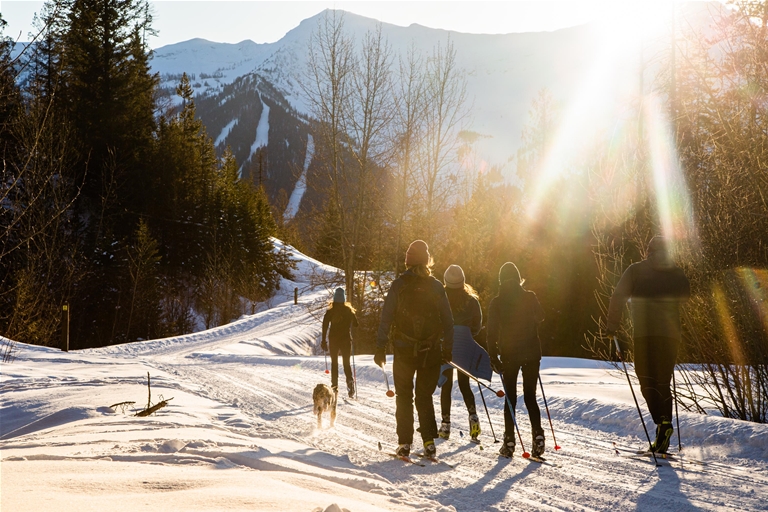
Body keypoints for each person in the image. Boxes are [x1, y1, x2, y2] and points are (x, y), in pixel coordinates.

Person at [606, 235, 690, 454]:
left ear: (648, 251)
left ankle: (663, 424)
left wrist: (611, 327)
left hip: (645, 335)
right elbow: (685, 296)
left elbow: (618, 296)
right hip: (671, 336)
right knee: (664, 382)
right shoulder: (677, 272)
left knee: (646, 380)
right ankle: (664, 433)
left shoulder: (636, 270)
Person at [375, 240, 454, 459]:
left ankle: (405, 443)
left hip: (404, 350)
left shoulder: (399, 285)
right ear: (427, 260)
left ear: (408, 260)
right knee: (424, 396)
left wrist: (380, 347)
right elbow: (448, 322)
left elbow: (386, 318)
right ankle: (429, 442)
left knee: (404, 397)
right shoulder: (436, 286)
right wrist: (447, 350)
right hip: (430, 352)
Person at [487, 262, 545, 458]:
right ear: (518, 278)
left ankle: (509, 442)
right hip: (531, 352)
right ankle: (538, 437)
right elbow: (541, 317)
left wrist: (493, 356)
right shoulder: (529, 297)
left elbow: (492, 332)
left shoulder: (497, 302)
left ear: (501, 280)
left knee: (510, 398)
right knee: (530, 396)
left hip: (510, 354)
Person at [437, 264, 483, 442]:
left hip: (446, 347)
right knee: (465, 385)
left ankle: (445, 425)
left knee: (446, 385)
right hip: (465, 348)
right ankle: (473, 419)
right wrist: (468, 336)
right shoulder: (472, 301)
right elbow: (477, 326)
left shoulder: (440, 298)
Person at [322, 287, 359, 398]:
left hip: (334, 340)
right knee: (346, 363)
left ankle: (334, 388)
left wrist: (323, 340)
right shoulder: (348, 311)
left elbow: (324, 326)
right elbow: (356, 324)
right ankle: (350, 383)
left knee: (334, 364)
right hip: (346, 340)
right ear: (343, 299)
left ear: (334, 298)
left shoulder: (330, 312)